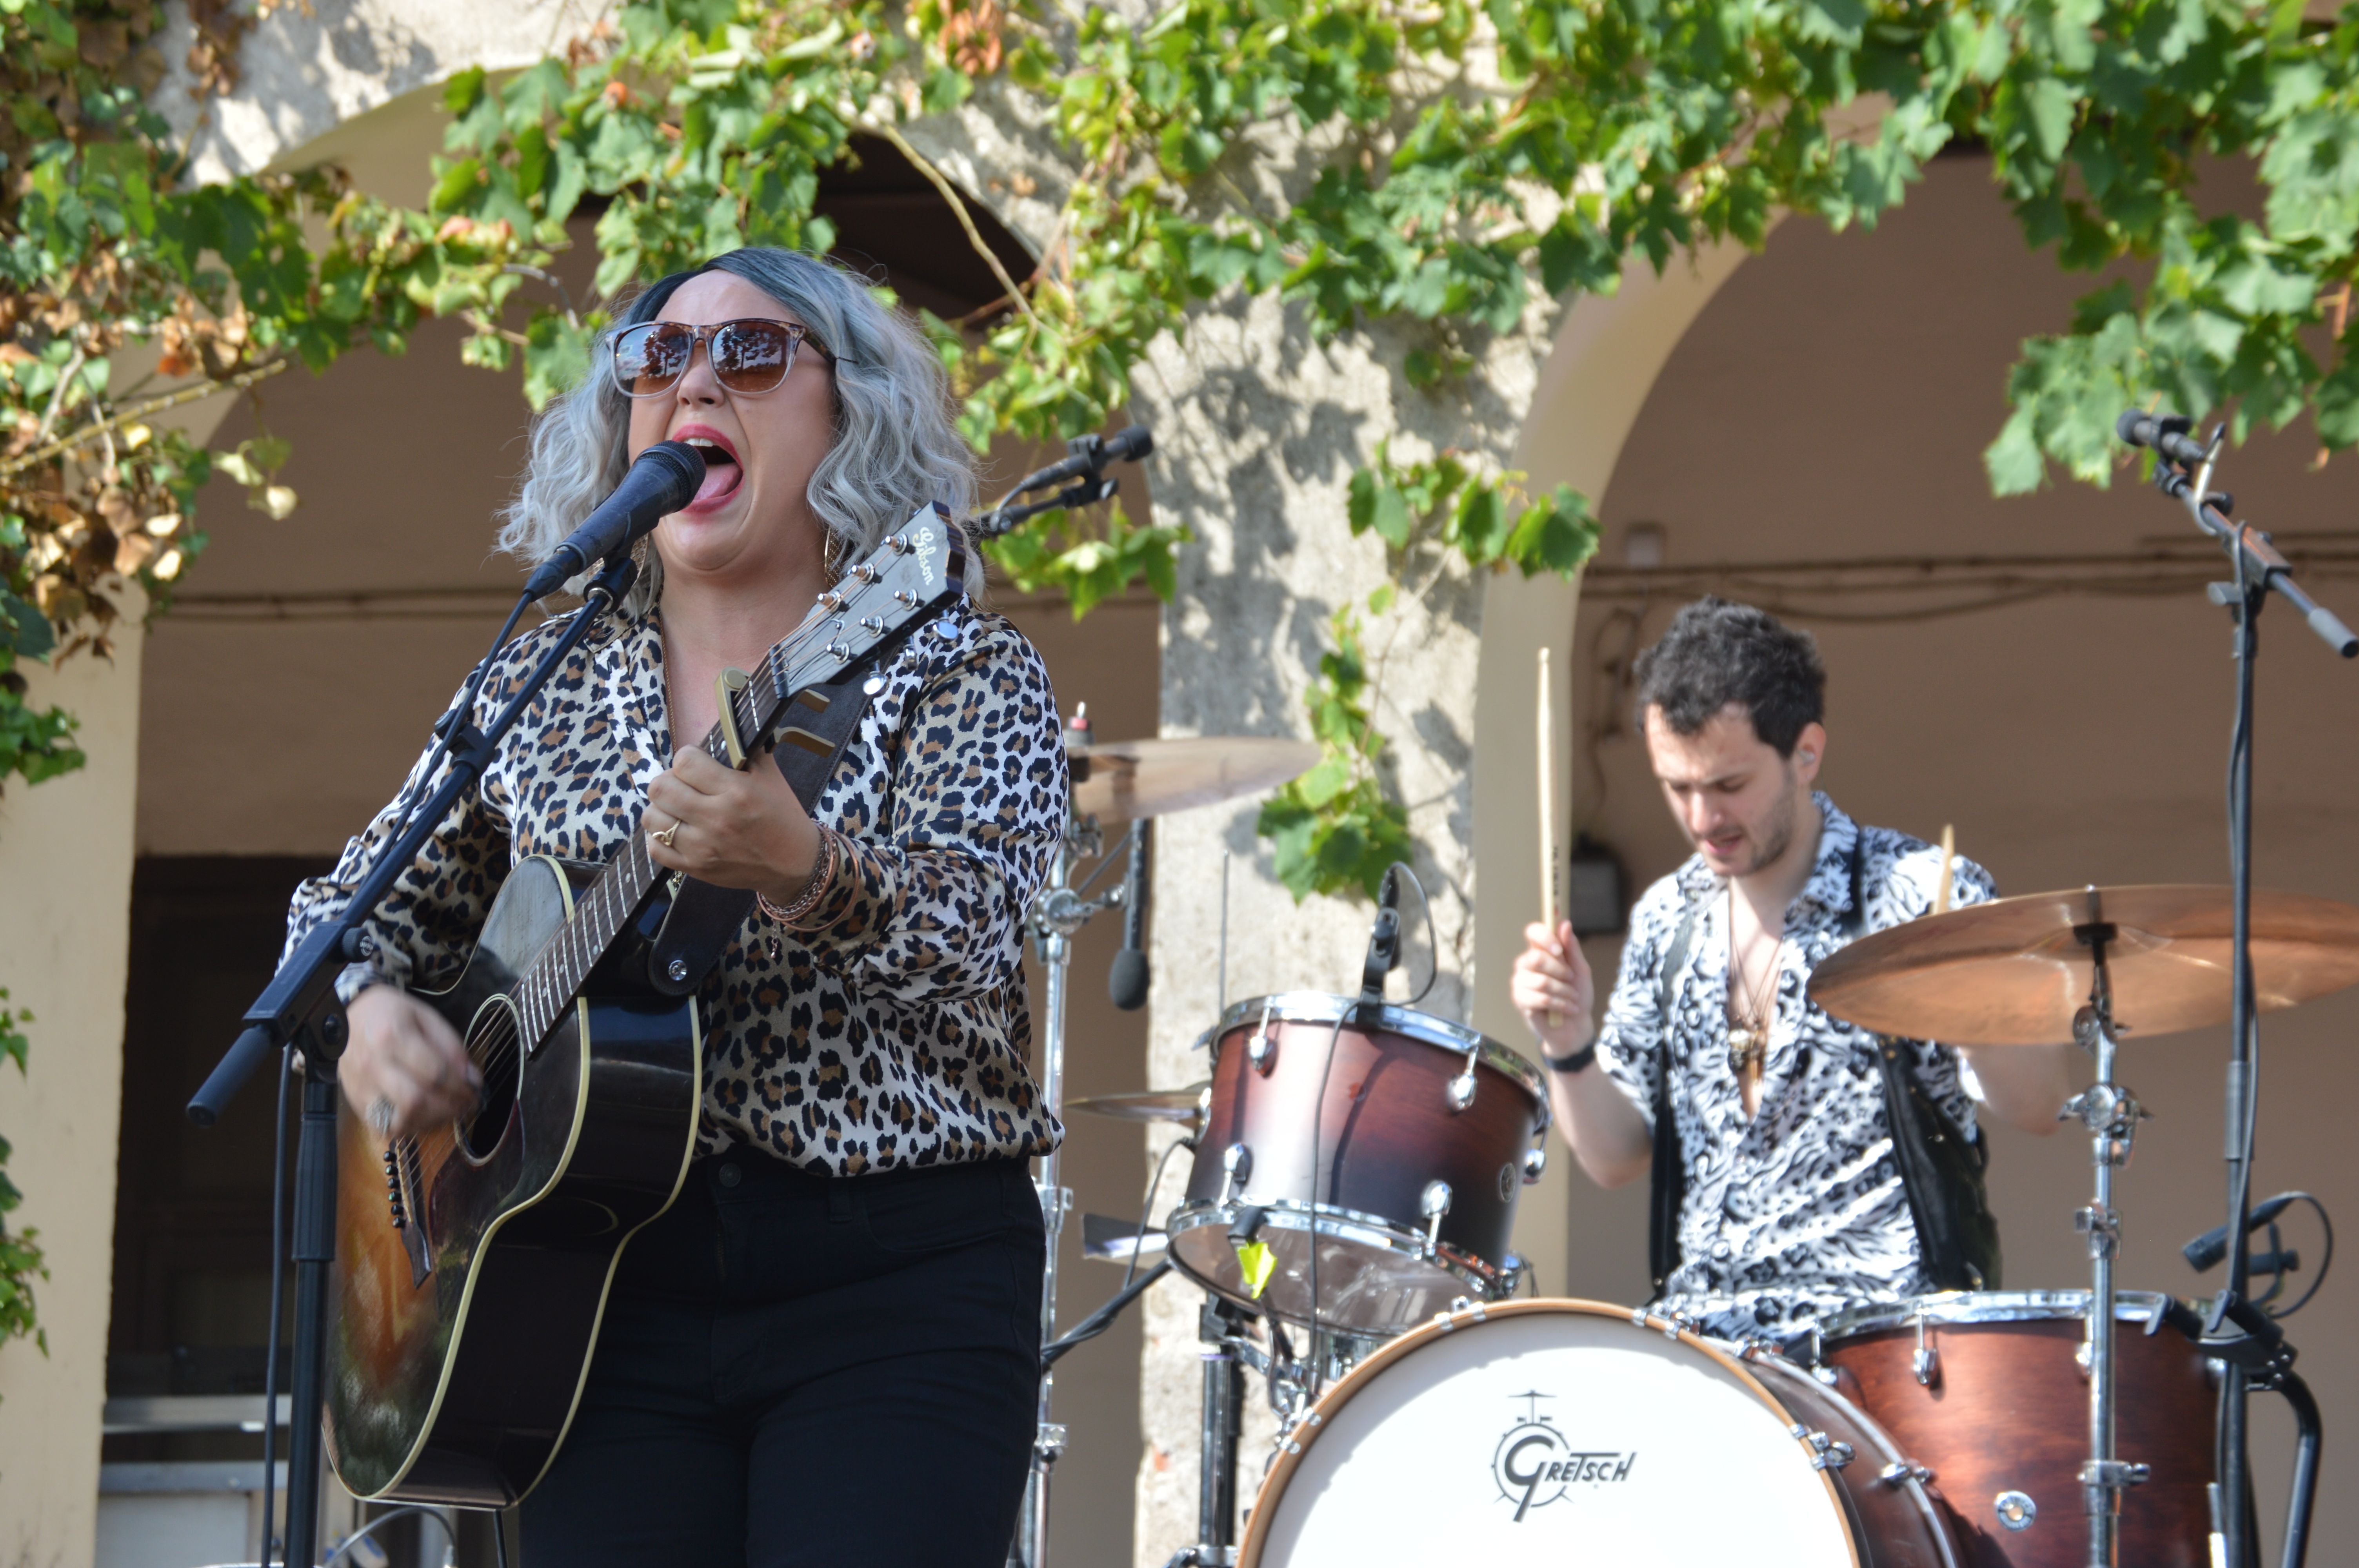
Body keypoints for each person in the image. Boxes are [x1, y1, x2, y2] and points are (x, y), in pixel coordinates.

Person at [284, 248, 1066, 1567]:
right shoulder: (545, 682)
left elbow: (986, 928)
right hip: (593, 1294)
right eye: (659, 356)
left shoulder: (953, 666)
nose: (693, 376)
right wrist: (361, 1015)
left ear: (849, 411)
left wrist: (808, 871)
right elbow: (335, 919)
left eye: (751, 355)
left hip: (894, 1281)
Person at [1510, 598, 2072, 1343]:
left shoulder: (1917, 893)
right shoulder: (1666, 919)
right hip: (1708, 1346)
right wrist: (1568, 1044)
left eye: (1729, 785)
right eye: (1677, 788)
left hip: (1886, 1340)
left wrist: (1972, 1013)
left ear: (1806, 753)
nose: (1702, 818)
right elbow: (1616, 1160)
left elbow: (2042, 1109)